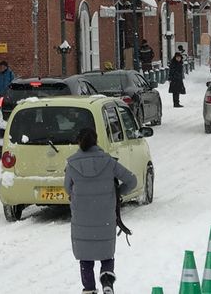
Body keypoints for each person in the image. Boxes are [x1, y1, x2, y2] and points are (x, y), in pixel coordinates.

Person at [64, 126, 136, 294]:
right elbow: (131, 180)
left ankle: (89, 289)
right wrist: (117, 193)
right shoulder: (109, 161)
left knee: (86, 258)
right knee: (106, 254)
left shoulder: (72, 164)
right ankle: (106, 279)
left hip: (82, 219)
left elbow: (68, 188)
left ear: (79, 142)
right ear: (96, 141)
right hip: (105, 217)